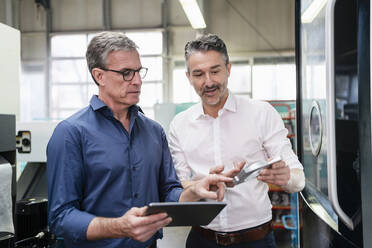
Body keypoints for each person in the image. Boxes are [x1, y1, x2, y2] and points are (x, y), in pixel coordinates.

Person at [46, 31, 232, 248]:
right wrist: (119, 226)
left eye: (138, 71)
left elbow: (169, 191)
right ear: (99, 76)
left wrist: (194, 190)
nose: (137, 81)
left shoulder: (154, 132)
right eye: (126, 73)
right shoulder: (70, 133)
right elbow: (60, 217)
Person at [168, 34, 305, 248]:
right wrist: (203, 183)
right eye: (199, 74)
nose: (209, 82)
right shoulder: (180, 124)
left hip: (256, 240)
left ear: (228, 69)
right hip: (201, 240)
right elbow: (177, 186)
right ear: (188, 77)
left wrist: (286, 177)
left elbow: (299, 180)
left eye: (215, 71)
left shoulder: (261, 114)